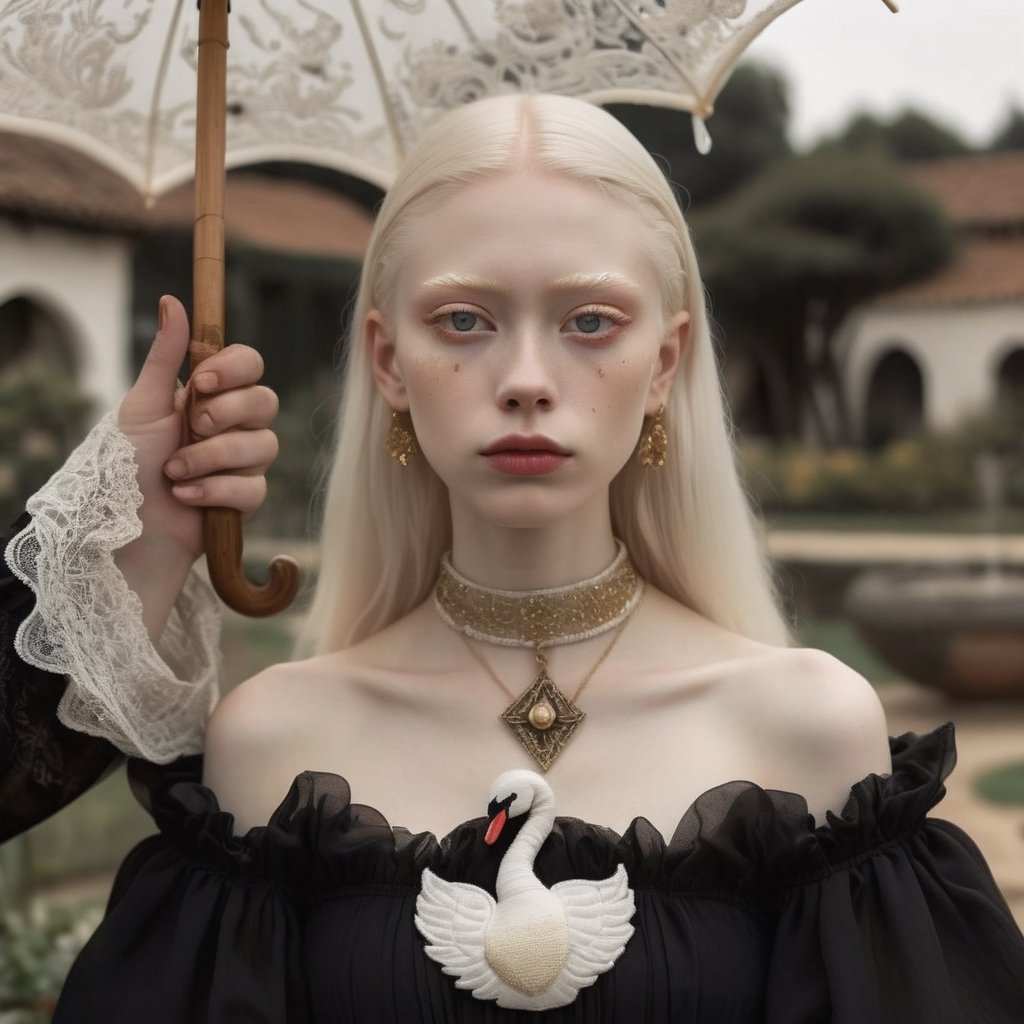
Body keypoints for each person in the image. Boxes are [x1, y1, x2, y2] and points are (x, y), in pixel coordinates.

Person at [2, 93, 1023, 1021]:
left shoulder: (807, 727)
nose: (527, 378)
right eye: (465, 321)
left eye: (589, 322)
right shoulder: (273, 747)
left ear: (663, 363)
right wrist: (131, 560)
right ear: (388, 360)